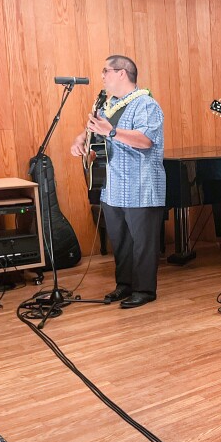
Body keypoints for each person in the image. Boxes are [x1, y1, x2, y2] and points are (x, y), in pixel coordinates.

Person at [70, 55, 165, 309]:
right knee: (120, 240)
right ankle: (124, 285)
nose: (102, 75)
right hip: (112, 186)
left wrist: (110, 131)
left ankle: (145, 290)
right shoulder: (107, 105)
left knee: (142, 242)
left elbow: (145, 140)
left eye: (106, 71)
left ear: (122, 73)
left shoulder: (146, 104)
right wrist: (81, 140)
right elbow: (92, 130)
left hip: (141, 186)